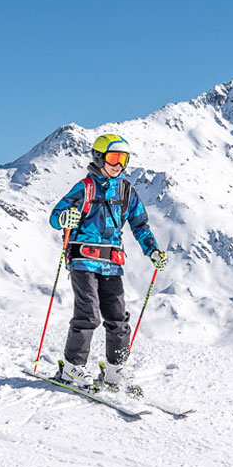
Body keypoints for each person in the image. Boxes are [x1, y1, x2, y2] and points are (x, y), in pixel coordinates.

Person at [46, 133, 165, 392]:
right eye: (113, 158)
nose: (118, 164)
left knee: (118, 318)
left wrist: (152, 250)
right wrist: (65, 218)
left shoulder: (126, 192)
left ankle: (115, 370)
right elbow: (56, 216)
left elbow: (140, 225)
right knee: (88, 314)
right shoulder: (85, 187)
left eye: (123, 159)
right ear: (99, 157)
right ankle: (72, 368)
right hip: (83, 258)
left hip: (112, 262)